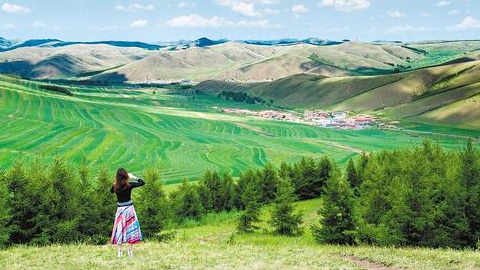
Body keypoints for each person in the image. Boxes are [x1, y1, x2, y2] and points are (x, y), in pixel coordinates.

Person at [110, 168, 145, 258]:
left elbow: (111, 191)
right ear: (126, 176)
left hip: (120, 210)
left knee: (119, 229)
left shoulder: (115, 186)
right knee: (131, 229)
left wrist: (116, 182)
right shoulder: (129, 185)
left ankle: (120, 252)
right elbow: (142, 182)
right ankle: (129, 250)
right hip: (129, 209)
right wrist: (133, 177)